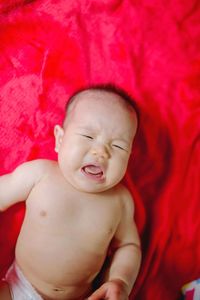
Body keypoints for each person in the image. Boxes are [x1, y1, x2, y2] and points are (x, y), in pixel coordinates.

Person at [0, 85, 141, 300]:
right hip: (19, 288)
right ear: (59, 139)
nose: (101, 152)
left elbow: (128, 246)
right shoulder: (40, 174)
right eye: (87, 136)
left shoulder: (120, 201)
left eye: (119, 146)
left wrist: (121, 281)